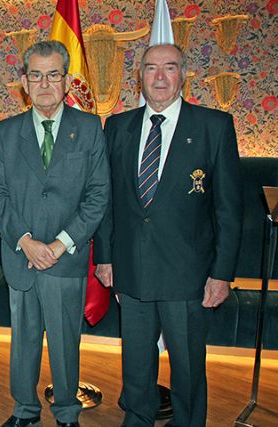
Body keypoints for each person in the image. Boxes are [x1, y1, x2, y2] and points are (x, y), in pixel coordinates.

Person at [94, 44, 243, 427]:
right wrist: (106, 257)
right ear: (139, 76)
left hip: (188, 274)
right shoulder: (118, 126)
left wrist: (222, 273)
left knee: (188, 364)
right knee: (136, 359)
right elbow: (108, 199)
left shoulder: (214, 126)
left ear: (183, 74)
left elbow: (228, 209)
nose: (159, 78)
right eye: (151, 69)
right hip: (131, 268)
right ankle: (138, 418)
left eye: (170, 68)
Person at [0, 40, 110, 427]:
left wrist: (58, 245)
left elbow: (98, 194)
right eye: (36, 75)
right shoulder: (5, 132)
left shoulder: (89, 128)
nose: (44, 83)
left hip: (65, 258)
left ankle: (67, 413)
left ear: (67, 81)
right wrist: (25, 241)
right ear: (24, 82)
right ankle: (24, 410)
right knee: (22, 343)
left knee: (64, 344)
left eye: (53, 74)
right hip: (21, 255)